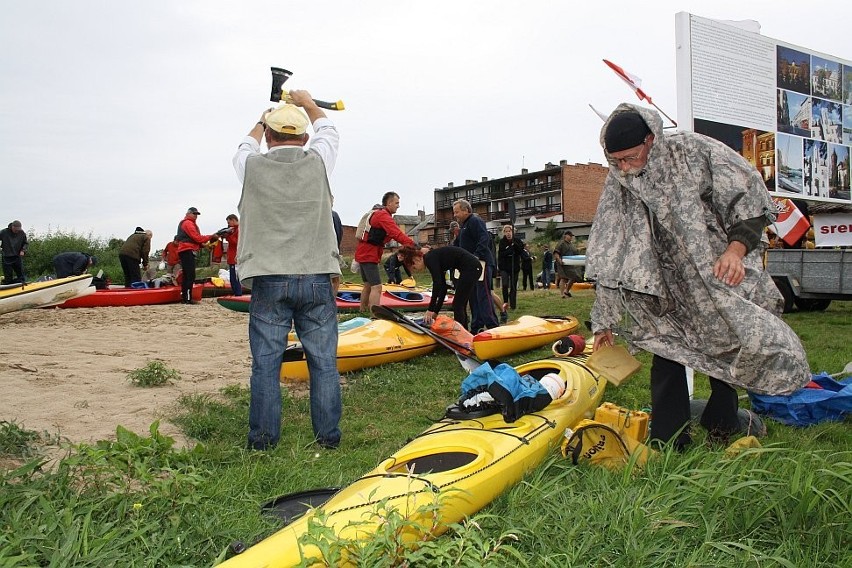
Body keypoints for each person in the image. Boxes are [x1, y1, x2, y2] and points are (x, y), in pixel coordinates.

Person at [587, 104, 810, 451]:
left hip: (712, 273)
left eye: (630, 158)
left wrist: (735, 251)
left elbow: (747, 197)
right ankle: (670, 439)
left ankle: (723, 424)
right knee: (668, 350)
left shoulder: (692, 151)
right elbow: (608, 249)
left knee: (725, 346)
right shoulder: (619, 179)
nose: (625, 168)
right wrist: (603, 321)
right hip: (661, 285)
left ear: (650, 140)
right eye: (616, 161)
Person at [233, 91, 342, 451]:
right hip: (315, 275)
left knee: (265, 364)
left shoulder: (250, 165)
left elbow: (244, 145)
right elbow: (328, 129)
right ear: (304, 137)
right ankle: (327, 439)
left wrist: (263, 117)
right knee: (323, 362)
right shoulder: (318, 160)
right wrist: (308, 102)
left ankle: (262, 441)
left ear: (269, 136)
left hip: (268, 276)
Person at [353, 191, 416, 312]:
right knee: (377, 287)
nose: (398, 205)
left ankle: (362, 312)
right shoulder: (383, 216)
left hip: (364, 254)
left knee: (367, 285)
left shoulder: (379, 215)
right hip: (368, 255)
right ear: (389, 203)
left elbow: (387, 236)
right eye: (397, 203)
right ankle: (374, 315)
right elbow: (396, 233)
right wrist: (414, 245)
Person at [398, 245, 482, 330]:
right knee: (459, 305)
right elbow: (443, 287)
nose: (417, 270)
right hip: (472, 268)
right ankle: (464, 333)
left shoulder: (430, 259)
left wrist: (430, 309)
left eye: (414, 267)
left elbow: (437, 284)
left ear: (416, 259)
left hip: (472, 268)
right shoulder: (433, 258)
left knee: (458, 305)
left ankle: (460, 334)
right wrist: (435, 312)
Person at [453, 199, 498, 332]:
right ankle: (476, 326)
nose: (455, 215)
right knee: (473, 296)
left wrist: (476, 255)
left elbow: (484, 238)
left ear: (466, 210)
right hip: (470, 268)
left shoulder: (475, 221)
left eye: (457, 212)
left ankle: (492, 325)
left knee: (483, 295)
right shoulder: (463, 227)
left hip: (481, 263)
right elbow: (457, 245)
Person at [176, 207, 216, 304]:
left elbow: (194, 240)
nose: (196, 216)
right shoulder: (188, 223)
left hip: (185, 250)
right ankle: (187, 298)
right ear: (188, 214)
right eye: (194, 214)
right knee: (190, 275)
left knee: (187, 275)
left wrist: (205, 246)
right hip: (187, 250)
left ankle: (185, 297)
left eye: (197, 214)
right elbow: (197, 238)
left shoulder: (187, 223)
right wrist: (211, 236)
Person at [497, 224, 524, 311]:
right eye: (506, 231)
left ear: (513, 232)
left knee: (513, 285)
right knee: (505, 284)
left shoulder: (517, 241)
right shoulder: (502, 242)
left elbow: (520, 251)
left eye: (510, 231)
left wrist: (514, 245)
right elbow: (502, 254)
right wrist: (509, 249)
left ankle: (513, 304)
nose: (508, 233)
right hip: (504, 267)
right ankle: (505, 302)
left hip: (514, 267)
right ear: (504, 233)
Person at [219, 214, 243, 296]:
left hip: (235, 258)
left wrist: (228, 237)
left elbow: (238, 243)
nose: (228, 224)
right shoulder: (233, 230)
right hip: (232, 258)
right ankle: (237, 294)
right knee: (233, 278)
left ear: (233, 220)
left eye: (229, 222)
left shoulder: (239, 229)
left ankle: (238, 294)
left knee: (235, 278)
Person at [553, 230, 580, 298]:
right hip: (562, 263)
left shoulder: (571, 244)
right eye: (570, 236)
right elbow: (556, 253)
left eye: (571, 236)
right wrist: (559, 260)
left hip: (570, 263)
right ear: (566, 236)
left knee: (574, 277)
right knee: (563, 278)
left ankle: (566, 291)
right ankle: (562, 294)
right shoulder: (561, 243)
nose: (571, 237)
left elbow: (575, 252)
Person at [0, 220, 27, 284]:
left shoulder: (22, 233)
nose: (17, 231)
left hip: (17, 256)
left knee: (21, 277)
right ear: (12, 227)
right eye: (16, 230)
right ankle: (6, 283)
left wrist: (23, 250)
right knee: (8, 278)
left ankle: (20, 286)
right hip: (6, 257)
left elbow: (25, 243)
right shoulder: (4, 232)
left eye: (18, 230)